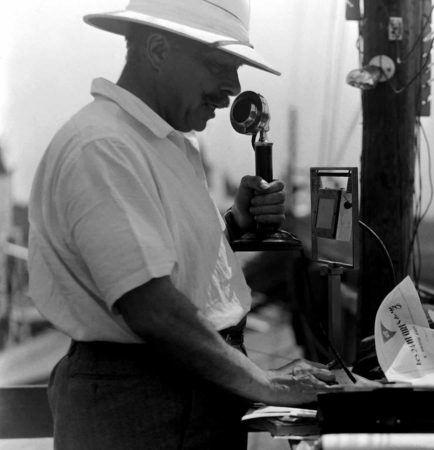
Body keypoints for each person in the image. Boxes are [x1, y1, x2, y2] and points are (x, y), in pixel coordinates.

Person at [26, 0, 336, 448]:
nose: (231, 89)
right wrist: (266, 384)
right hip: (141, 400)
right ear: (156, 50)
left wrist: (232, 227)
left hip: (190, 384)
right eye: (219, 66)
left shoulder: (158, 143)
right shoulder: (103, 146)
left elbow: (164, 263)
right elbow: (151, 306)